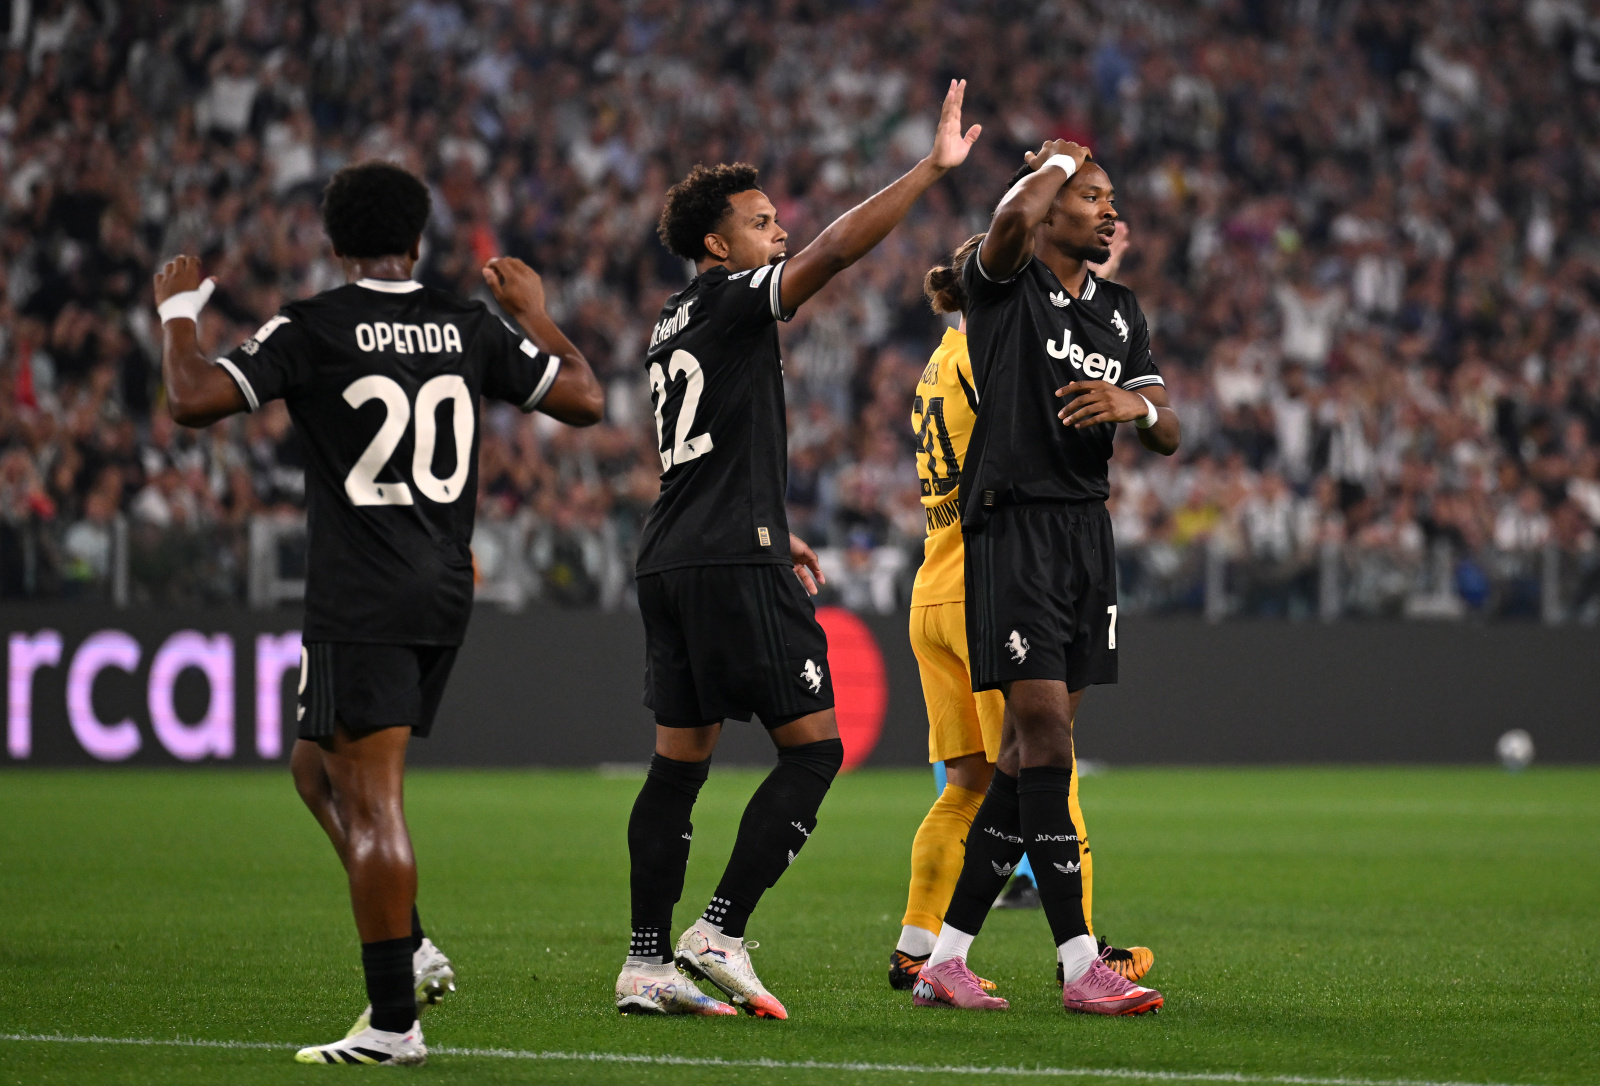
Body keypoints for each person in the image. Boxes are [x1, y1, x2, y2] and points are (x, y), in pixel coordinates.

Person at [153, 161, 604, 1064]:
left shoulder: (313, 324)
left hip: (362, 590)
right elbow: (585, 398)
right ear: (420, 240)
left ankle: (394, 1022)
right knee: (315, 771)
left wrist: (175, 315)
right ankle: (411, 943)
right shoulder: (465, 322)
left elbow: (193, 398)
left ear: (332, 242)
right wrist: (534, 312)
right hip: (442, 584)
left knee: (372, 801)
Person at [614, 80, 981, 1019]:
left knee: (676, 767)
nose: (780, 231)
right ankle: (720, 931)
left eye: (778, 219)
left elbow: (707, 448)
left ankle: (646, 961)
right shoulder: (738, 301)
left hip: (673, 554)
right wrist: (930, 170)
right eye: (761, 221)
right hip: (731, 557)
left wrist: (779, 529)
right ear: (716, 244)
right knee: (815, 752)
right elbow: (840, 251)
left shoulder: (670, 320)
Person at [910, 141, 1178, 1016]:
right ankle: (1077, 967)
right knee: (1050, 748)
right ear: (1052, 208)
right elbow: (1010, 219)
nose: (1108, 210)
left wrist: (1134, 407)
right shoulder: (1004, 288)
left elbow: (1169, 426)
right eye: (1090, 196)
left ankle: (945, 961)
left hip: (1084, 534)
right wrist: (1057, 160)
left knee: (1025, 762)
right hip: (1014, 528)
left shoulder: (1120, 309)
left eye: (1109, 196)